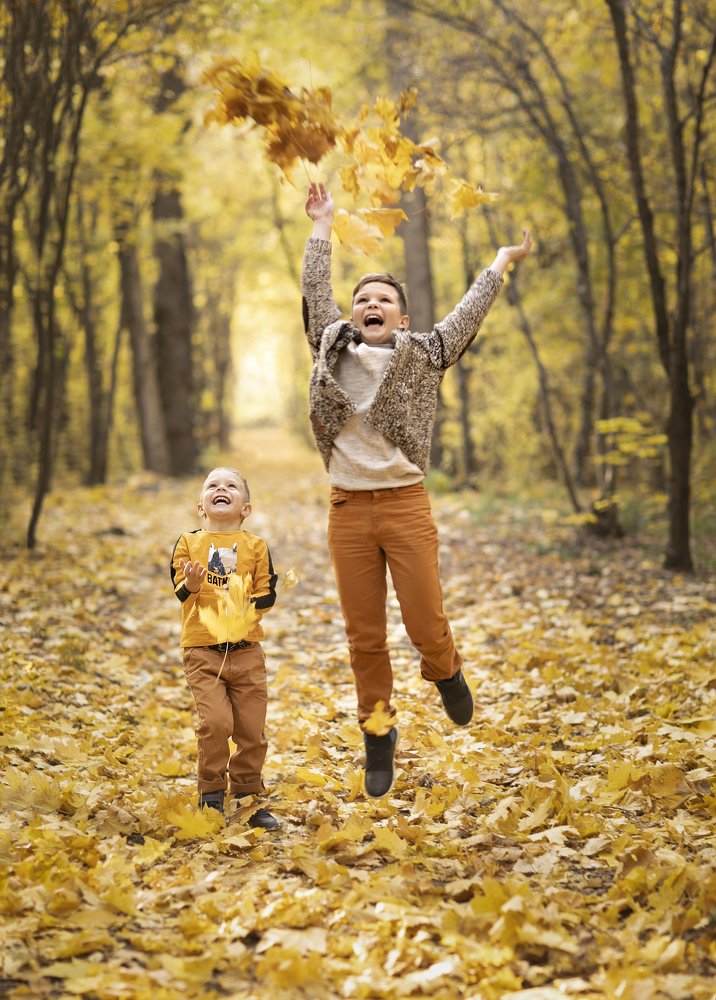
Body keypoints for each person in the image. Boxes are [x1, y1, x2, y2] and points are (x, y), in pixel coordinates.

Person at [302, 181, 532, 798]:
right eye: (361, 299)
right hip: (348, 511)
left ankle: (446, 669)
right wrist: (322, 226)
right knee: (364, 637)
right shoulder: (329, 347)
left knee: (425, 623)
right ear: (353, 315)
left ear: (400, 318)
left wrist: (500, 262)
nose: (369, 304)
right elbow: (314, 294)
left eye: (382, 299)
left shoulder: (424, 353)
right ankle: (379, 736)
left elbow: (468, 314)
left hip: (405, 506)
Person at [170, 466, 279, 829]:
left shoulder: (256, 546)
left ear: (245, 507)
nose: (221, 489)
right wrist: (192, 583)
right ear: (201, 506)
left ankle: (248, 795)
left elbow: (267, 594)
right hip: (203, 650)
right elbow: (180, 592)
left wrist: (247, 600)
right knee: (215, 723)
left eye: (231, 486)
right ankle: (211, 792)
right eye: (213, 486)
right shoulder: (188, 542)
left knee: (251, 727)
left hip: (246, 651)